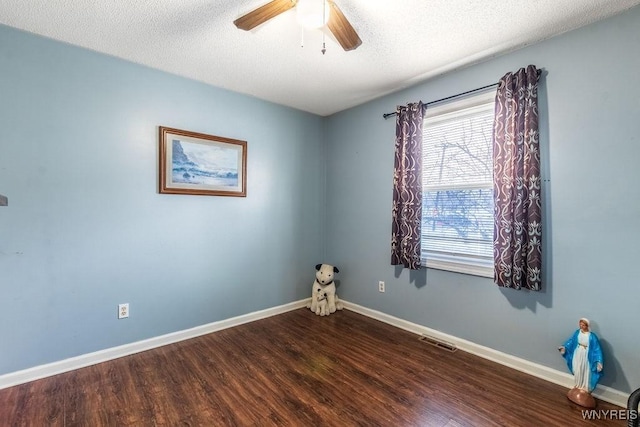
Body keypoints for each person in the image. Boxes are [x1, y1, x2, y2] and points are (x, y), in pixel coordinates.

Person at [558, 318, 603, 393]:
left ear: (587, 326)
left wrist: (598, 361)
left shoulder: (592, 336)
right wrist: (564, 347)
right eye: (580, 324)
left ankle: (584, 387)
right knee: (577, 368)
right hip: (577, 353)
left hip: (586, 355)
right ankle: (578, 384)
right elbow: (571, 341)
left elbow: (597, 349)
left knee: (584, 369)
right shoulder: (577, 332)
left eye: (583, 325)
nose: (581, 326)